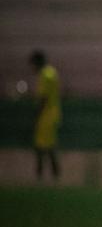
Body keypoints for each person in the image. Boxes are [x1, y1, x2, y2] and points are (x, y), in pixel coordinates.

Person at [29, 50, 62, 181]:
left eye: (33, 64)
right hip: (53, 113)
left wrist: (37, 114)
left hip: (46, 115)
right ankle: (53, 174)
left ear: (37, 62)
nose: (32, 68)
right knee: (48, 145)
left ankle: (42, 174)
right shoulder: (52, 72)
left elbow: (43, 98)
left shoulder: (45, 75)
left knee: (43, 146)